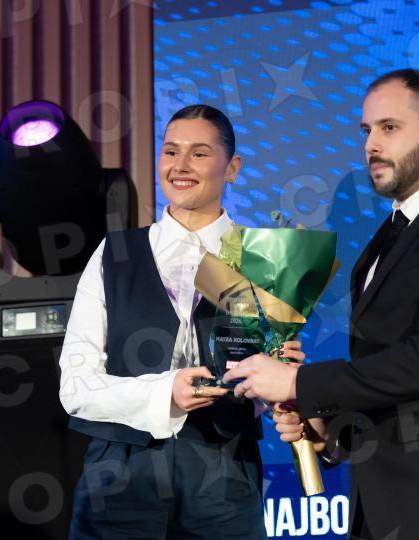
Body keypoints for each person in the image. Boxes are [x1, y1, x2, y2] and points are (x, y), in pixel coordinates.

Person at [224, 69, 419, 539]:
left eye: (389, 127)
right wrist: (329, 430)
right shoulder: (382, 242)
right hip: (382, 511)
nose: (371, 144)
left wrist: (299, 381)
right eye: (366, 130)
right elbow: (388, 377)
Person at [58, 104, 303, 539]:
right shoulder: (115, 254)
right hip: (120, 474)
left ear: (232, 168)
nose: (181, 166)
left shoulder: (263, 261)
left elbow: (267, 390)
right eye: (171, 151)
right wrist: (164, 392)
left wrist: (282, 375)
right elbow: (75, 387)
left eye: (199, 153)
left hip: (223, 471)